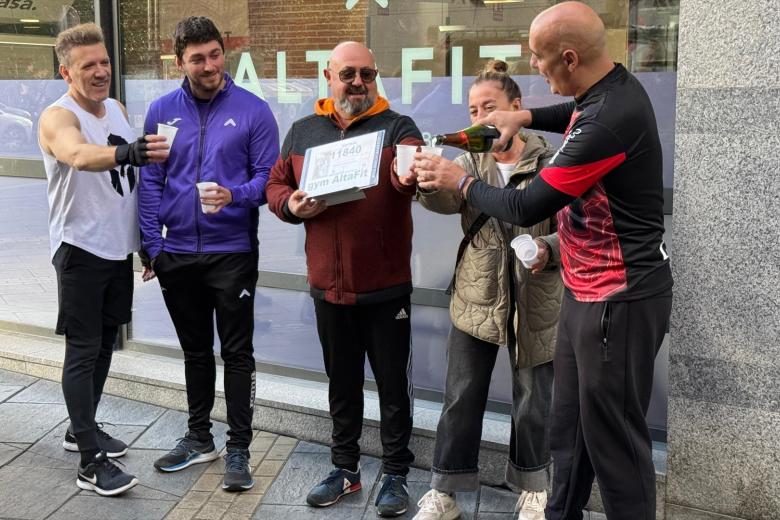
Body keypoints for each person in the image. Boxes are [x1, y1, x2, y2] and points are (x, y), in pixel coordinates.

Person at [414, 3, 673, 519]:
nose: (534, 69)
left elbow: (527, 205)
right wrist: (523, 115)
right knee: (569, 430)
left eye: (539, 58)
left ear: (570, 58)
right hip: (582, 295)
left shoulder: (609, 119)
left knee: (614, 444)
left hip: (618, 301)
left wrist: (460, 180)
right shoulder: (603, 91)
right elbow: (569, 115)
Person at [265, 41, 424, 517]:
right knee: (342, 382)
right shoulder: (303, 130)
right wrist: (290, 206)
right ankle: (345, 469)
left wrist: (407, 172)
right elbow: (276, 183)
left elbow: (407, 173)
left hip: (385, 285)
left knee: (393, 386)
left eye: (367, 74)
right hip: (327, 286)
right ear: (329, 78)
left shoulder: (398, 127)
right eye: (348, 74)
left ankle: (396, 473)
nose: (358, 83)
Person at [411, 60, 563, 520]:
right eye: (474, 109)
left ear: (517, 109)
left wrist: (549, 248)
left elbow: (573, 226)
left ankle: (534, 490)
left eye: (490, 108)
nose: (480, 119)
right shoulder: (469, 160)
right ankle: (445, 493)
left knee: (534, 398)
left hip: (537, 297)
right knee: (461, 396)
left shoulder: (551, 160)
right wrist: (422, 180)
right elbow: (444, 198)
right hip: (477, 293)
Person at [138, 16, 279, 492]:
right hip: (176, 253)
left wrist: (234, 195)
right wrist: (153, 246)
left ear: (224, 53)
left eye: (215, 54)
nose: (209, 65)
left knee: (237, 353)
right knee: (195, 351)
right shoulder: (161, 110)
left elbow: (268, 179)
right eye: (197, 58)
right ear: (179, 62)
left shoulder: (254, 111)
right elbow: (151, 180)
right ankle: (200, 437)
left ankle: (239, 447)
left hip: (232, 252)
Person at [38, 22, 168, 496]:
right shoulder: (58, 116)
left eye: (104, 63)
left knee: (105, 344)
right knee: (83, 349)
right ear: (66, 72)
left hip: (116, 250)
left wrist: (144, 242)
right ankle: (90, 462)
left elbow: (128, 190)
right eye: (87, 66)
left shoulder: (115, 106)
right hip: (79, 249)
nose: (100, 72)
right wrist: (128, 152)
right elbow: (76, 154)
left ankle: (81, 428)